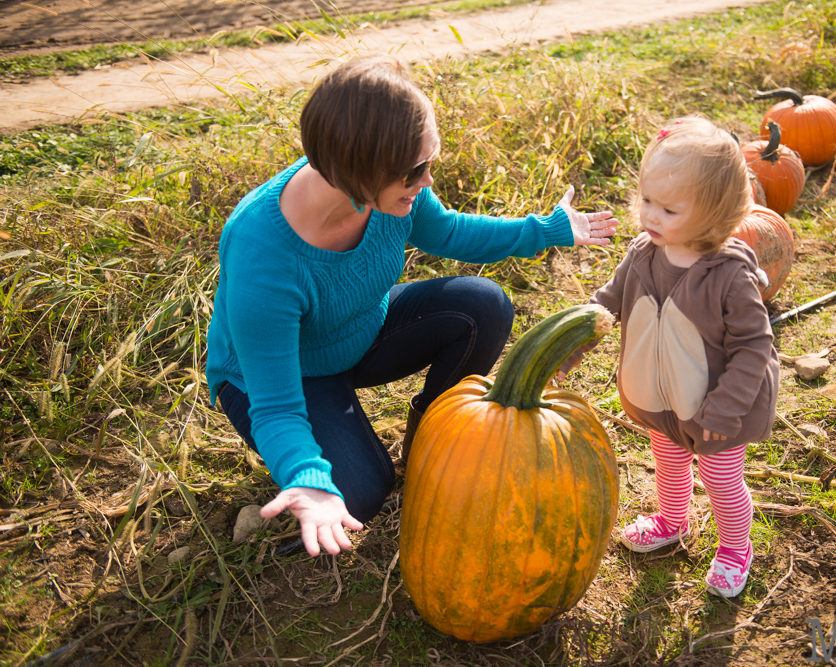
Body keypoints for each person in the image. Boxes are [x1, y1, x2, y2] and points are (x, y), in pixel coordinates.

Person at [205, 55, 618, 558]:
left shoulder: (389, 188)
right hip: (278, 378)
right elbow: (276, 406)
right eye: (415, 171)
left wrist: (546, 229)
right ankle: (333, 467)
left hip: (359, 332)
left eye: (429, 163)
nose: (426, 181)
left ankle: (433, 436)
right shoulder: (263, 254)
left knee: (483, 305)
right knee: (359, 493)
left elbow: (448, 231)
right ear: (358, 170)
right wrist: (308, 477)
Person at [558, 117, 779, 598]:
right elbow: (607, 303)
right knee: (670, 461)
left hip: (717, 409)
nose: (650, 217)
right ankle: (672, 520)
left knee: (721, 481)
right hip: (665, 398)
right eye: (647, 201)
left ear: (715, 216)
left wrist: (725, 410)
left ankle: (736, 547)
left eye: (668, 209)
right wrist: (572, 341)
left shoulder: (729, 275)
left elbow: (755, 347)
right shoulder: (643, 252)